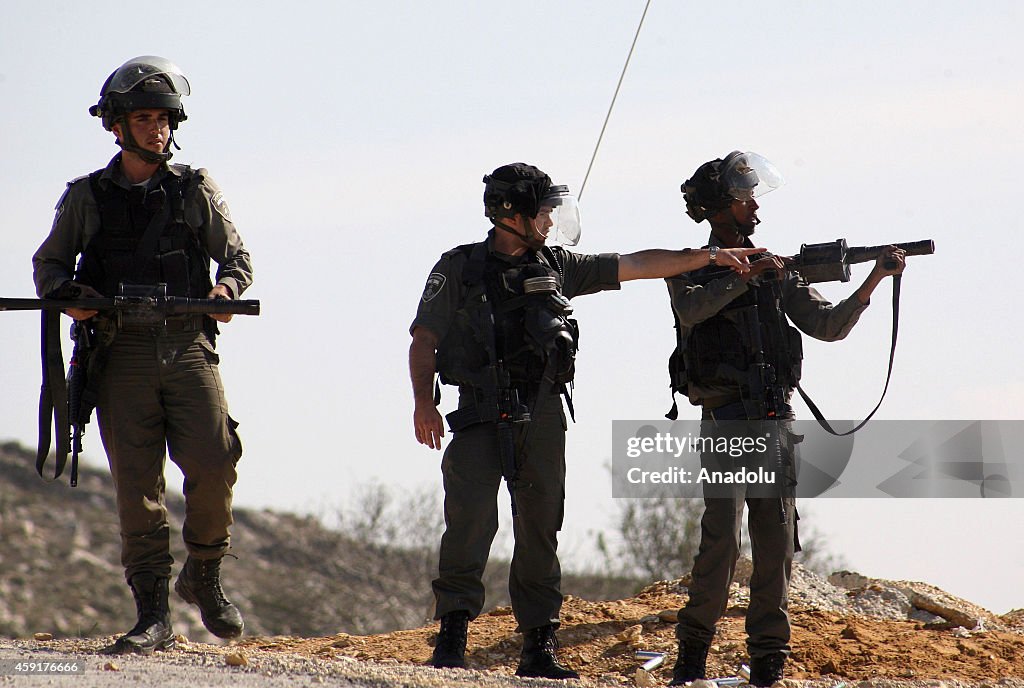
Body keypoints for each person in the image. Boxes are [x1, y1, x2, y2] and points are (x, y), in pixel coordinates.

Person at [409, 162, 761, 679]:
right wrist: (423, 403)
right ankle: (452, 637)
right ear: (514, 212)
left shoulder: (558, 265)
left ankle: (538, 646)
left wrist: (706, 257)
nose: (551, 222)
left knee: (541, 528)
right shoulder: (460, 266)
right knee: (468, 525)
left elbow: (635, 264)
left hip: (543, 412)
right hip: (479, 413)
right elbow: (424, 340)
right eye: (544, 211)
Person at [32, 56, 254, 655]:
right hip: (120, 354)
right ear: (117, 126)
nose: (156, 129)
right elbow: (48, 266)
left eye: (163, 118)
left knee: (214, 461)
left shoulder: (194, 189)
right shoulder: (87, 198)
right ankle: (152, 612)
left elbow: (236, 259)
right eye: (143, 119)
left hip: (186, 348)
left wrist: (223, 293)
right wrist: (72, 298)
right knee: (138, 485)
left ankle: (204, 571)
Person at [664, 151, 905, 686]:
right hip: (726, 419)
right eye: (745, 198)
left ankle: (768, 657)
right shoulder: (692, 265)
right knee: (721, 540)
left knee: (774, 540)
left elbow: (827, 325)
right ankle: (693, 654)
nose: (755, 208)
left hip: (772, 417)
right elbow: (690, 310)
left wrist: (872, 282)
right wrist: (744, 276)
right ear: (719, 210)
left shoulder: (777, 268)